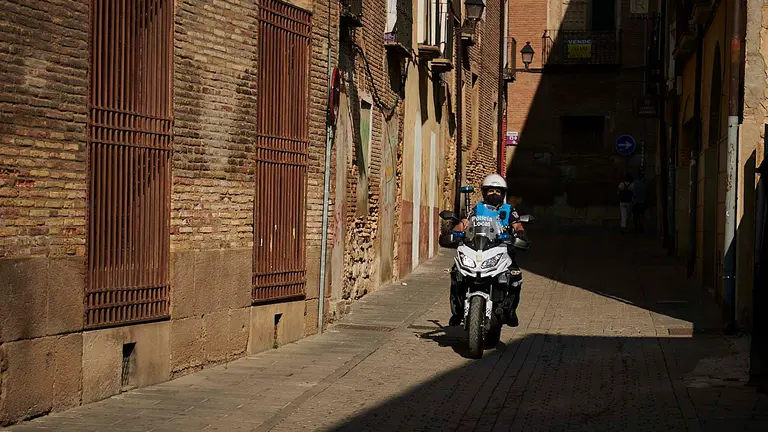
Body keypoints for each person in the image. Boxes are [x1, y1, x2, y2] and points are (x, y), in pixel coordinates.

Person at [449, 174, 526, 327]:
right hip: (479, 246)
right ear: (484, 192)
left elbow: (517, 224)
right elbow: (465, 222)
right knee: (456, 272)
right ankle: (457, 310)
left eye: (498, 191)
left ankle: (511, 311)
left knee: (515, 276)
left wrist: (520, 233)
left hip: (503, 248)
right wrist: (456, 231)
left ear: (503, 193)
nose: (494, 193)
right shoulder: (478, 208)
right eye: (490, 190)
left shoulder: (509, 209)